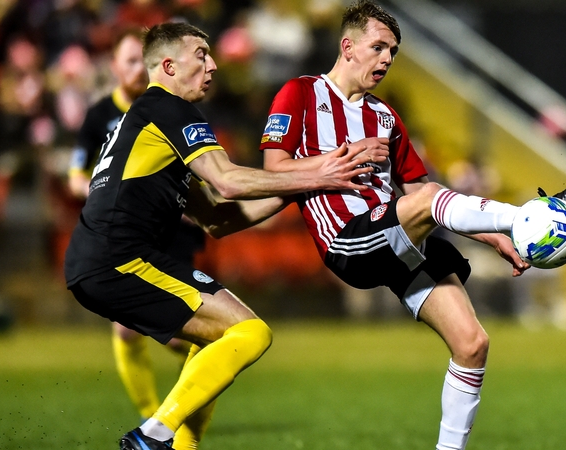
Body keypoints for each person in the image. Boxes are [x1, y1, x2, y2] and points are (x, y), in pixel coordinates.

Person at [260, 2, 566, 449]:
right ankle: (529, 217)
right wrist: (338, 161)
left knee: (472, 344)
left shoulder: (385, 117)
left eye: (393, 51)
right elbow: (272, 169)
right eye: (378, 47)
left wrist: (493, 236)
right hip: (348, 239)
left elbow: (423, 190)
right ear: (348, 46)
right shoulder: (299, 94)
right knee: (429, 203)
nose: (386, 59)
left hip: (395, 235)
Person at [63, 22, 387, 450]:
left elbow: (218, 217)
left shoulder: (146, 123)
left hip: (101, 260)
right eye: (201, 55)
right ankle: (153, 435)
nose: (213, 65)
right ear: (168, 66)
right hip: (118, 259)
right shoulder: (168, 108)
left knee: (217, 336)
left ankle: (177, 445)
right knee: (253, 333)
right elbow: (229, 181)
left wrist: (310, 184)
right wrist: (321, 168)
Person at [66, 27, 207, 424]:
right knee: (129, 330)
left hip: (174, 230)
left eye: (137, 61)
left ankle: (173, 415)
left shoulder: (175, 108)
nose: (135, 70)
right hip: (125, 231)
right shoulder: (100, 116)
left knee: (195, 330)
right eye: (127, 61)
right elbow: (77, 175)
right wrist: (112, 193)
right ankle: (155, 417)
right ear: (114, 67)